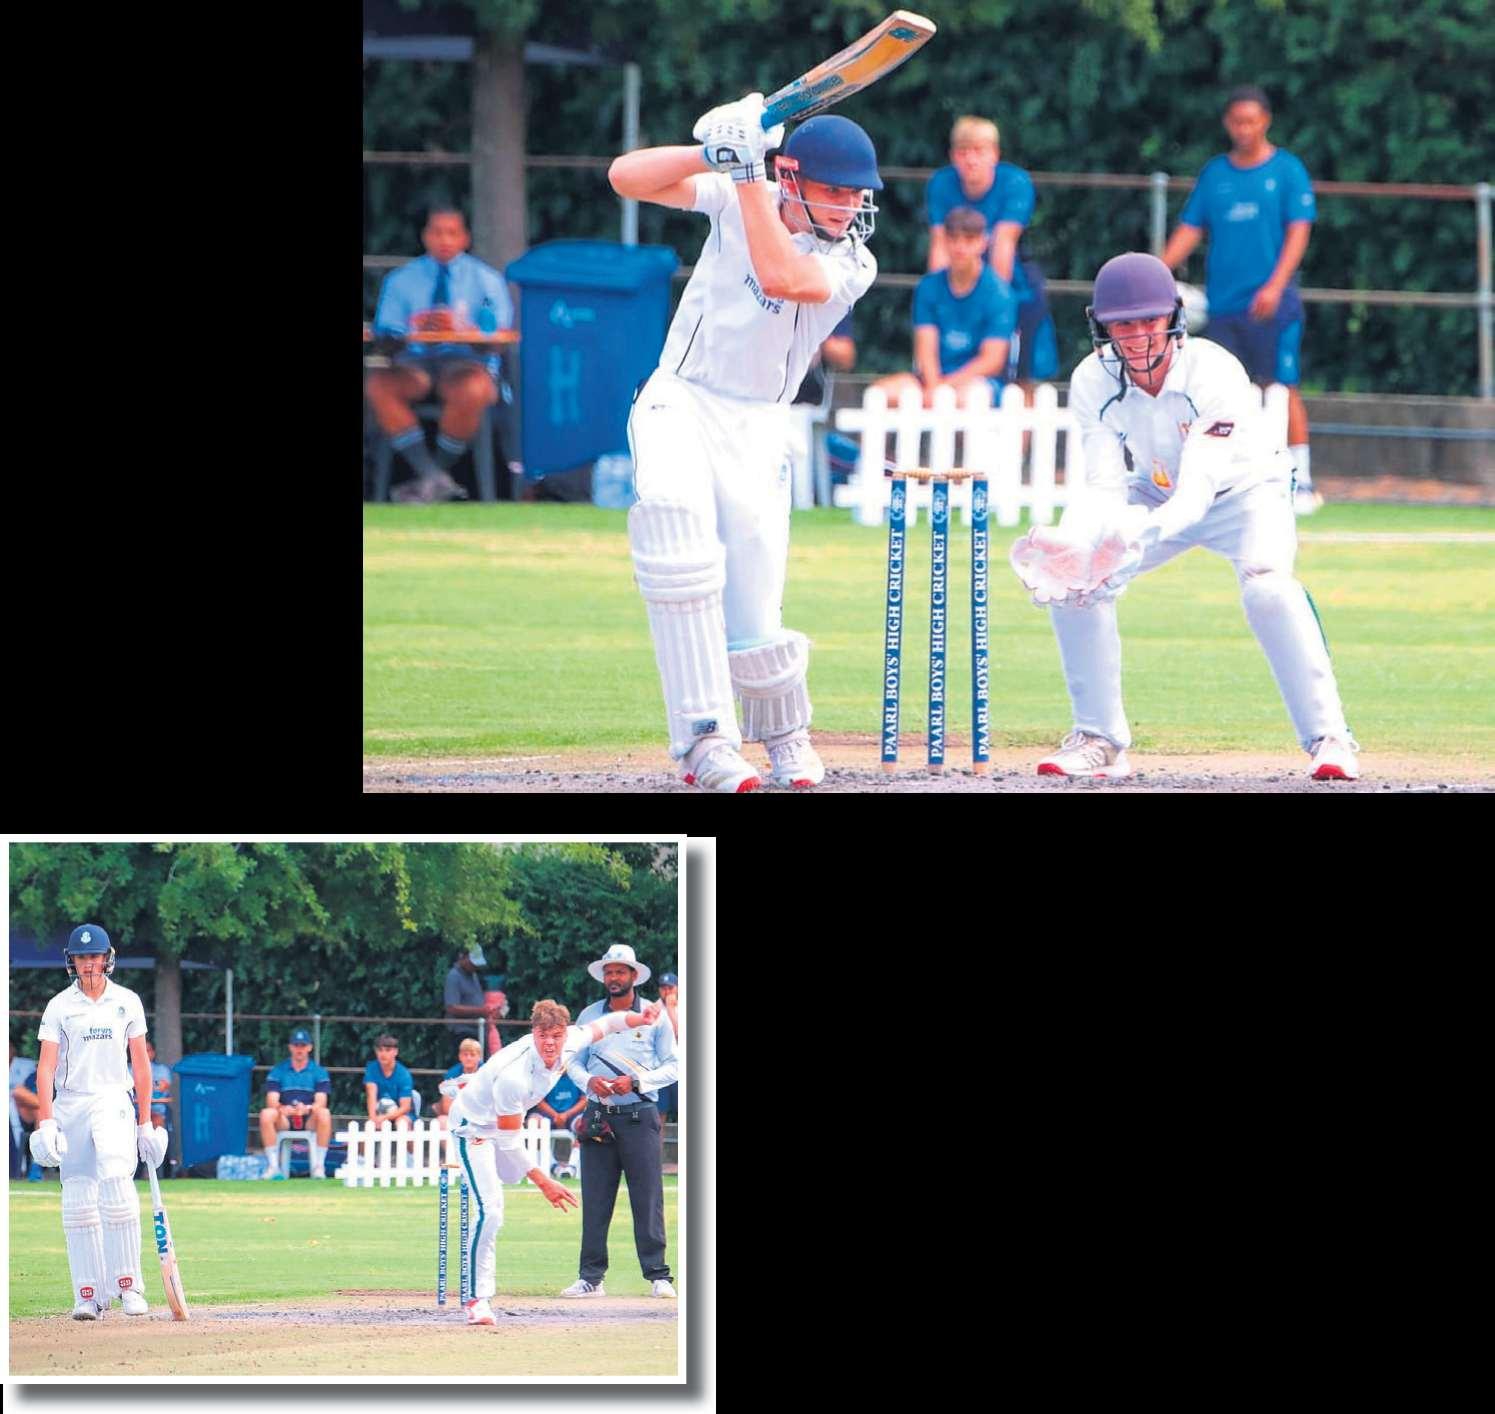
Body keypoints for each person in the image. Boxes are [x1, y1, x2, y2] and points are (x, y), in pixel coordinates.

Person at [608, 101, 881, 791]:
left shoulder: (853, 262)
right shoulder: (737, 193)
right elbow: (625, 177)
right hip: (680, 398)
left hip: (759, 423)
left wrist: (749, 172)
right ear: (793, 177)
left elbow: (782, 276)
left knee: (755, 612)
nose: (849, 206)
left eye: (857, 195)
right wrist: (714, 154)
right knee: (675, 534)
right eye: (835, 190)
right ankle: (705, 740)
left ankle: (784, 735)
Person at [1008, 253, 1359, 782]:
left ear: (1173, 318)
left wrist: (1129, 537)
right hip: (1153, 489)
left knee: (1267, 587)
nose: (1137, 337)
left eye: (1149, 321)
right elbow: (1103, 484)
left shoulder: (1214, 371)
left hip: (1246, 492)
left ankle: (1330, 738)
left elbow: (1196, 497)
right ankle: (1100, 740)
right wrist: (1075, 541)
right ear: (1102, 326)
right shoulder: (1092, 379)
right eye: (1123, 325)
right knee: (1076, 580)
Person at [444, 993, 663, 1325]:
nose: (550, 1043)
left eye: (556, 1035)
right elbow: (508, 1142)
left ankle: (475, 1082)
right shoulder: (514, 1076)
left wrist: (640, 1019)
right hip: (473, 1129)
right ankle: (477, 1299)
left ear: (565, 1033)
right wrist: (545, 1183)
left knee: (510, 1176)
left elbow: (608, 1023)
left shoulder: (572, 1040)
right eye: (543, 1035)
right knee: (491, 1212)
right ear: (533, 1032)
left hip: (503, 1120)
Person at [1160, 86, 1321, 514]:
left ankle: (1302, 478)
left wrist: (1274, 286)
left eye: (1251, 121)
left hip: (1273, 302)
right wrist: (1156, 272)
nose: (1244, 129)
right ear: (1227, 123)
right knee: (1222, 391)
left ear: (1265, 120)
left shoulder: (1287, 171)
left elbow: (1299, 231)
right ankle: (1230, 478)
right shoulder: (1215, 174)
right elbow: (1191, 228)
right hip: (1223, 304)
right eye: (1237, 121)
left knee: (1281, 385)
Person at [29, 925, 169, 1318]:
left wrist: (145, 1123)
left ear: (107, 958)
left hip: (112, 1100)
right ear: (71, 961)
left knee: (116, 1185)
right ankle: (88, 1294)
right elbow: (46, 1068)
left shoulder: (127, 1001)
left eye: (94, 956)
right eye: (81, 957)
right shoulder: (59, 1006)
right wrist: (46, 1121)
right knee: (77, 1198)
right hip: (71, 1103)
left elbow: (141, 1065)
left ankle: (129, 1287)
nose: (88, 963)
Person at [366, 205, 514, 504]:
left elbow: (499, 336)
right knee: (378, 385)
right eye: (437, 232)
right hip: (415, 363)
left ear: (465, 238)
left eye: (452, 233)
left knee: (473, 389)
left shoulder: (486, 279)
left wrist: (462, 328)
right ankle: (432, 476)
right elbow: (386, 335)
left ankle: (433, 476)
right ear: (425, 236)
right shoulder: (401, 280)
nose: (444, 240)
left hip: (466, 362)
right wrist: (415, 326)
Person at [559, 944, 679, 1301]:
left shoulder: (654, 1015)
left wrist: (638, 1081)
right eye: (609, 972)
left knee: (648, 1197)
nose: (614, 977)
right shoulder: (590, 1014)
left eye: (620, 971)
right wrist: (588, 1082)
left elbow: (674, 1065)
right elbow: (572, 1060)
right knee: (596, 1198)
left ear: (633, 976)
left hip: (639, 1113)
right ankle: (590, 1278)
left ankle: (658, 1275)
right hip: (598, 1114)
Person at [926, 114, 1058, 388]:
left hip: (1011, 282)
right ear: (953, 155)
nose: (971, 160)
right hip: (956, 282)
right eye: (963, 152)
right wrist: (938, 296)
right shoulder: (940, 184)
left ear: (995, 154)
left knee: (1023, 373)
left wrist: (996, 304)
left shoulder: (1015, 182)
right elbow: (940, 244)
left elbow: (1003, 243)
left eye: (979, 151)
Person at [874, 207, 1016, 408]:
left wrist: (943, 388)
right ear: (944, 241)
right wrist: (934, 388)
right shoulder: (928, 287)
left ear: (983, 242)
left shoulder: (1000, 293)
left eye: (969, 239)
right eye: (953, 238)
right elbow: (925, 350)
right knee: (879, 394)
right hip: (930, 380)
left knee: (971, 398)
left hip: (978, 382)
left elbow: (991, 361)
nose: (960, 247)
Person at [259, 1028, 333, 1179]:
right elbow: (271, 1100)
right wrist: (282, 1108)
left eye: (303, 1046)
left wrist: (307, 1109)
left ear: (309, 1047)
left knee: (324, 1113)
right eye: (296, 1045)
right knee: (266, 1114)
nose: (300, 1049)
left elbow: (321, 1102)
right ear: (290, 1047)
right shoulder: (278, 1071)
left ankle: (319, 1166)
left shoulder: (319, 1072)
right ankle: (273, 1166)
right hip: (284, 1118)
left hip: (309, 1118)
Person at [443, 945, 494, 1046]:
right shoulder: (454, 977)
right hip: (462, 1032)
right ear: (462, 957)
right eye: (472, 963)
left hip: (477, 1030)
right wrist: (480, 1011)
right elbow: (452, 1008)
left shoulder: (473, 975)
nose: (475, 966)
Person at [362, 1035, 415, 1132]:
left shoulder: (404, 1074)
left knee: (402, 1124)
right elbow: (371, 1095)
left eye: (387, 1050)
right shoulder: (371, 1069)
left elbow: (405, 1107)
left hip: (401, 1114)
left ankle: (408, 1143)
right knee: (369, 1127)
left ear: (395, 1052)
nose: (383, 1054)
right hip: (378, 1112)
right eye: (380, 1050)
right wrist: (373, 1118)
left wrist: (384, 1118)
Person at [655, 972, 680, 1162]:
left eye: (670, 988)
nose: (667, 991)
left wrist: (671, 1009)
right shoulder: (654, 1009)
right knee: (658, 1119)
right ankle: (656, 1163)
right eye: (663, 988)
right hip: (661, 1070)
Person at [10, 1038, 41, 1179]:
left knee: (40, 1110)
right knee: (18, 1091)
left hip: (53, 1115)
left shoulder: (59, 1076)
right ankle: (35, 1164)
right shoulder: (32, 1076)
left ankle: (36, 1164)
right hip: (29, 1117)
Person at [436, 1037, 484, 1125]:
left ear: (479, 1057)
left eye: (472, 1055)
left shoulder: (486, 1073)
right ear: (460, 1056)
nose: (468, 1058)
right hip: (457, 1115)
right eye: (465, 1055)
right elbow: (446, 1107)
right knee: (442, 1121)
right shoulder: (451, 1074)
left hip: (482, 1116)